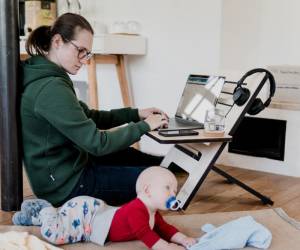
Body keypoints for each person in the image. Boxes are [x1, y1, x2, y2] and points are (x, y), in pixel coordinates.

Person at [21, 12, 169, 208]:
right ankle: (168, 172)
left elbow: (89, 116)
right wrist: (144, 126)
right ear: (57, 41)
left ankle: (169, 166)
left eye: (87, 53)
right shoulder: (50, 88)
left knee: (139, 159)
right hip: (68, 187)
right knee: (159, 181)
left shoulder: (47, 75)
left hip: (70, 168)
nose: (84, 59)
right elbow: (97, 143)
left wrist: (135, 114)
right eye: (80, 50)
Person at [13, 167, 196, 250]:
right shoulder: (136, 210)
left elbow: (164, 229)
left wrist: (183, 239)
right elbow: (146, 235)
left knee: (62, 221)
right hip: (87, 218)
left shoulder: (153, 213)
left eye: (175, 190)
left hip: (96, 211)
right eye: (168, 188)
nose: (173, 193)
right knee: (55, 234)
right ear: (147, 190)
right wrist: (166, 247)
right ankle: (45, 209)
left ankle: (33, 218)